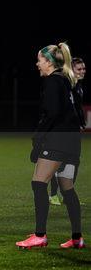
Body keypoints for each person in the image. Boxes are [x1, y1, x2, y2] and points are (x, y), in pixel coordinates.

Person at [16, 43, 84, 250]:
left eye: (39, 60)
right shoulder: (66, 81)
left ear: (48, 62)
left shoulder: (53, 82)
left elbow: (52, 114)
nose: (37, 64)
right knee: (67, 188)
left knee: (38, 183)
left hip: (58, 141)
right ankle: (77, 237)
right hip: (72, 142)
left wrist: (37, 139)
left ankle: (40, 235)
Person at [49, 57, 86, 205]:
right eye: (79, 69)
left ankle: (67, 194)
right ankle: (53, 195)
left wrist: (81, 122)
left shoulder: (78, 85)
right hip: (63, 131)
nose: (82, 71)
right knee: (58, 162)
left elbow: (77, 108)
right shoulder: (67, 85)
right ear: (71, 70)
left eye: (84, 69)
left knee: (74, 162)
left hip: (73, 131)